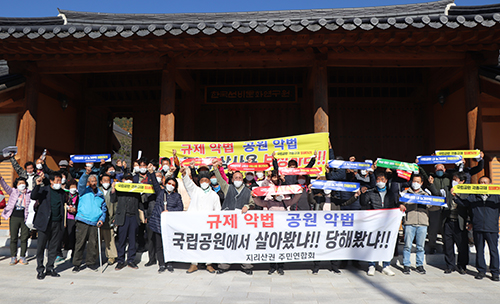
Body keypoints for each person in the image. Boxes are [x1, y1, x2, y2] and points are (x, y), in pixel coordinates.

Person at [451, 176, 500, 281]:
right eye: (481, 182)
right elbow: (464, 203)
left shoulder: (496, 197)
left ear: (490, 184)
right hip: (478, 228)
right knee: (480, 250)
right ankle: (481, 271)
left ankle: (495, 272)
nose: (483, 184)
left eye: (485, 182)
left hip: (492, 228)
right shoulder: (474, 196)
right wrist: (455, 196)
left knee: (493, 250)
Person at [213, 159, 255, 275]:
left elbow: (252, 204)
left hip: (242, 223)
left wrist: (247, 205)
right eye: (235, 178)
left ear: (243, 179)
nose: (238, 180)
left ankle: (246, 266)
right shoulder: (228, 188)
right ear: (232, 179)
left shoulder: (247, 191)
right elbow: (220, 180)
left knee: (243, 243)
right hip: (228, 222)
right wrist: (216, 168)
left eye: (240, 178)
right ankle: (224, 266)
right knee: (227, 243)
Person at [181, 166, 221, 273]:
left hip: (209, 224)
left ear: (209, 182)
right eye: (202, 180)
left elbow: (218, 210)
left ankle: (209, 264)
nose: (204, 182)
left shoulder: (214, 195)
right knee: (195, 243)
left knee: (209, 243)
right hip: (196, 223)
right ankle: (194, 264)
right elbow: (188, 184)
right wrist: (184, 175)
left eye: (206, 180)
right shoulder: (195, 191)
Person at [253, 193, 302, 275]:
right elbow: (259, 202)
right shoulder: (268, 203)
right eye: (277, 194)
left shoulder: (285, 202)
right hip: (272, 230)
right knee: (272, 248)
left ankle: (280, 267)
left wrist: (299, 193)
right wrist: (254, 196)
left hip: (282, 229)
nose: (279, 196)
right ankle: (272, 266)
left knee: (281, 248)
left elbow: (294, 200)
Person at [360, 172, 398, 276]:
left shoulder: (391, 193)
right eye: (378, 179)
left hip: (387, 223)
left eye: (382, 179)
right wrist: (363, 193)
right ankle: (371, 265)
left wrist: (401, 207)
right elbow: (363, 203)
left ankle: (386, 266)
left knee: (386, 243)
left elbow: (396, 205)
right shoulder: (371, 192)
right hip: (374, 222)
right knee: (373, 244)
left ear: (386, 181)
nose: (380, 181)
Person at [400, 174, 439, 275]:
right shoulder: (406, 193)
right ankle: (406, 265)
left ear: (421, 183)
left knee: (420, 246)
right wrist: (402, 205)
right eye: (414, 181)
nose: (415, 183)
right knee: (407, 245)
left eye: (418, 182)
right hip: (409, 222)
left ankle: (419, 265)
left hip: (422, 223)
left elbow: (432, 206)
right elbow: (400, 204)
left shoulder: (425, 195)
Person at [148, 165, 183, 273]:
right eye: (169, 183)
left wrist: (169, 212)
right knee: (159, 245)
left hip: (170, 224)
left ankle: (169, 264)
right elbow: (154, 182)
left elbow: (180, 208)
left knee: (169, 245)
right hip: (158, 223)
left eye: (173, 184)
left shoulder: (177, 196)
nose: (170, 186)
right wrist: (151, 172)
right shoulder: (160, 192)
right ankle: (161, 264)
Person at [31, 172, 66, 280]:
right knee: (41, 247)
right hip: (44, 222)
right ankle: (40, 269)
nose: (59, 183)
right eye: (57, 180)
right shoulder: (44, 190)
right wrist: (37, 185)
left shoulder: (62, 192)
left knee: (53, 247)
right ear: (51, 181)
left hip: (57, 222)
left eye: (60, 181)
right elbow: (33, 196)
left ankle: (50, 267)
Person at [72, 167, 107, 273]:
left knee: (93, 243)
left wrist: (102, 219)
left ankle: (91, 263)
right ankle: (77, 264)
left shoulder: (101, 195)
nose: (94, 183)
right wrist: (86, 174)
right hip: (83, 220)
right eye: (92, 181)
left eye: (95, 181)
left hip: (95, 222)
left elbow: (104, 209)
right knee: (80, 243)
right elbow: (81, 184)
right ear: (88, 182)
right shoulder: (83, 191)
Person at [113, 173, 144, 270]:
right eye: (126, 179)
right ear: (123, 180)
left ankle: (131, 260)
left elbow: (140, 204)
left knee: (132, 240)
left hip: (133, 217)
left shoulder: (135, 190)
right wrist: (113, 189)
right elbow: (113, 200)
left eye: (130, 178)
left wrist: (143, 216)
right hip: (123, 217)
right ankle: (120, 261)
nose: (128, 180)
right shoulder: (119, 189)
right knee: (121, 240)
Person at [441, 172, 469, 274]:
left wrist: (456, 196)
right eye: (453, 179)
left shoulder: (466, 192)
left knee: (462, 245)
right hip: (448, 221)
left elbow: (468, 206)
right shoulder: (447, 190)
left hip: (460, 222)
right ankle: (450, 265)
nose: (454, 181)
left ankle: (462, 266)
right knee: (448, 245)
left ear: (462, 181)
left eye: (456, 180)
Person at [0, 173, 32, 266]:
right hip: (14, 216)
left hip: (25, 217)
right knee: (13, 237)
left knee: (24, 237)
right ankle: (13, 256)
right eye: (19, 183)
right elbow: (5, 186)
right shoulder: (13, 191)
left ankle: (22, 256)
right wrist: (1, 178)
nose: (21, 185)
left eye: (23, 183)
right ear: (16, 185)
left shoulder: (29, 193)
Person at [99, 174, 118, 265]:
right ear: (101, 182)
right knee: (96, 239)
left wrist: (115, 218)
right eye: (104, 180)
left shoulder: (113, 191)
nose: (106, 182)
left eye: (108, 180)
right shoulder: (98, 190)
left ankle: (111, 257)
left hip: (109, 219)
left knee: (109, 240)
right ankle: (95, 257)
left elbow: (116, 205)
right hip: (98, 219)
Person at [61, 179, 79, 262]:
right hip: (66, 218)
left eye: (74, 187)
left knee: (74, 237)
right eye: (71, 187)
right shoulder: (66, 195)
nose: (73, 188)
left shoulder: (78, 196)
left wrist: (75, 210)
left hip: (75, 218)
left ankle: (73, 254)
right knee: (66, 235)